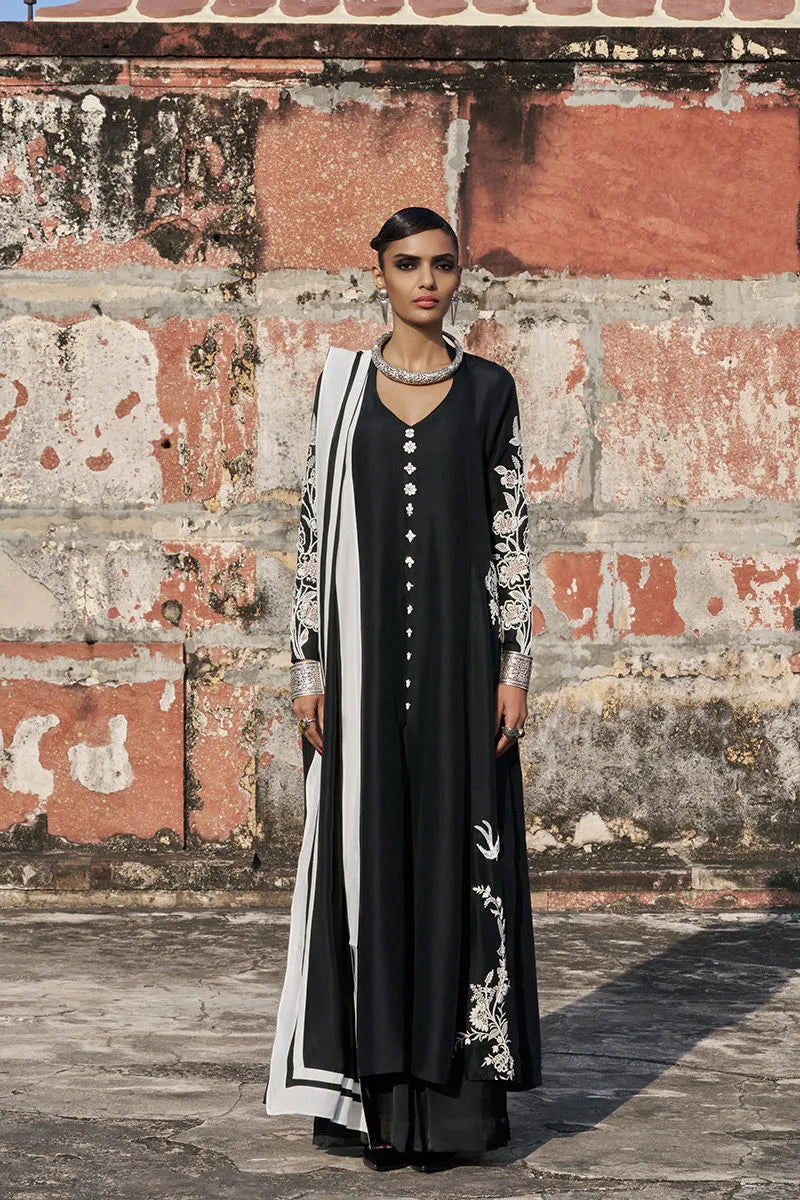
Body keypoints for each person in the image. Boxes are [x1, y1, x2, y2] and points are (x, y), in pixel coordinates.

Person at [264, 206, 542, 1172]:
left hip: (468, 670)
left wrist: (515, 666)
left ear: (459, 274)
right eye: (407, 264)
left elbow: (510, 537)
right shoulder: (341, 390)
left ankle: (458, 1111)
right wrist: (307, 666)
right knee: (369, 860)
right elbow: (311, 532)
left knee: (460, 865)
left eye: (442, 265)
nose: (427, 281)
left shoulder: (491, 391)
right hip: (361, 667)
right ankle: (372, 1103)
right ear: (378, 273)